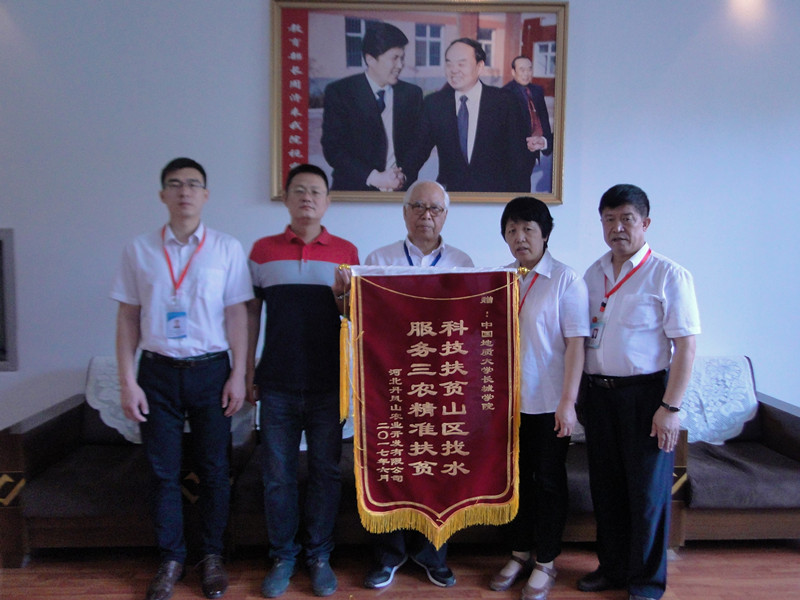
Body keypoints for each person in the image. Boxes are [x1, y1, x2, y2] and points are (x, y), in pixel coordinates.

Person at [111, 157, 253, 600]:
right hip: (156, 372)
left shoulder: (226, 248)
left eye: (193, 184)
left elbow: (237, 315)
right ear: (163, 195)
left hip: (211, 371)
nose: (184, 191)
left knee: (215, 471)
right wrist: (128, 381)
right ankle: (171, 559)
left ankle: (211, 557)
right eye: (175, 184)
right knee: (162, 473)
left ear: (206, 195)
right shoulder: (139, 250)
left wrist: (238, 374)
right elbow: (127, 318)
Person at [577, 184, 700, 600]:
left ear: (645, 223)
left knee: (647, 494)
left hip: (646, 398)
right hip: (598, 396)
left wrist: (670, 407)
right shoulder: (593, 274)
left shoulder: (668, 275)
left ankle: (646, 581)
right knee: (606, 488)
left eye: (626, 219)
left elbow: (686, 347)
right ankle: (612, 569)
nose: (617, 228)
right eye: (609, 219)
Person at [246, 164, 359, 598]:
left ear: (327, 201)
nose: (307, 198)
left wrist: (342, 296)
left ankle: (319, 555)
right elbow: (250, 316)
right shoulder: (262, 251)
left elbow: (354, 318)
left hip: (329, 385)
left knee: (326, 473)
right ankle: (282, 556)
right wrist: (248, 372)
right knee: (277, 475)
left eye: (315, 191)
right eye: (299, 190)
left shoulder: (347, 251)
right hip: (276, 384)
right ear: (287, 198)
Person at [359, 180, 472, 590]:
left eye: (435, 209)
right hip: (389, 382)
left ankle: (432, 554)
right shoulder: (379, 260)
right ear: (404, 211)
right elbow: (365, 323)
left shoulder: (462, 263)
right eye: (418, 206)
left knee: (437, 470)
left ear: (446, 215)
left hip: (442, 385)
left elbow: (470, 325)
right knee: (390, 466)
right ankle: (388, 555)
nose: (427, 215)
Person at [489, 197, 589, 600]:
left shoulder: (566, 280)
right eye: (512, 230)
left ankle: (546, 561)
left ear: (545, 234)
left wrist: (568, 402)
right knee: (514, 482)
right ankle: (518, 553)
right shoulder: (500, 279)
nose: (520, 237)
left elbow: (576, 345)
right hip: (507, 405)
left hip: (549, 403)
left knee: (548, 481)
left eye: (528, 229)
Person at [405, 38, 529, 193]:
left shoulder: (505, 102)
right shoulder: (434, 104)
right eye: (449, 64)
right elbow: (417, 152)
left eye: (461, 64)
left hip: (494, 198)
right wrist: (401, 177)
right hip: (450, 198)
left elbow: (519, 160)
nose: (453, 70)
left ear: (479, 66)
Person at [321, 21, 423, 191]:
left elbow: (418, 146)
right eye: (394, 58)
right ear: (370, 59)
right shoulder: (341, 92)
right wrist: (375, 177)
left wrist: (403, 176)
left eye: (402, 58)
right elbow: (333, 149)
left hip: (400, 193)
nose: (400, 65)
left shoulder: (412, 94)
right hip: (354, 192)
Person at [502, 56, 553, 186]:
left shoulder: (537, 91)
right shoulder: (505, 93)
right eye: (522, 70)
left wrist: (546, 142)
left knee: (525, 188)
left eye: (529, 69)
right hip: (513, 157)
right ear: (513, 72)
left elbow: (543, 119)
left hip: (532, 154)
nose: (526, 74)